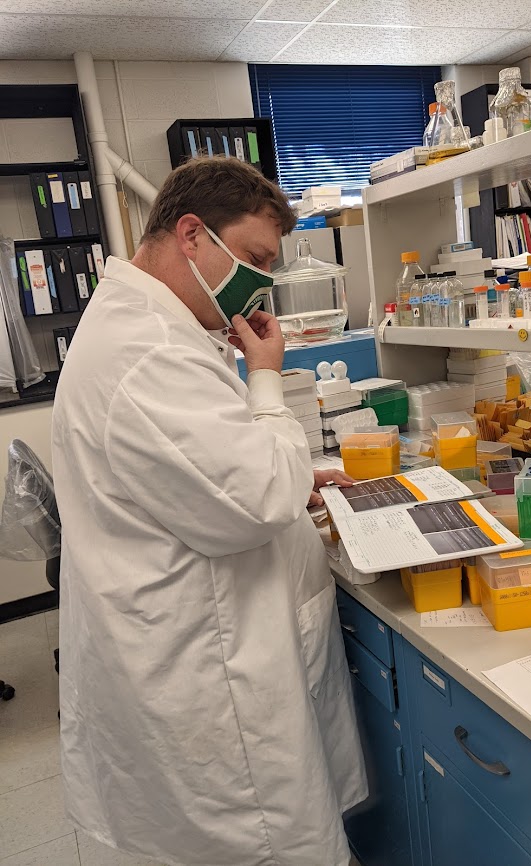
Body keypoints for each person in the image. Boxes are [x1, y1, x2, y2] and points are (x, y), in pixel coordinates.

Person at [51, 156, 367, 866]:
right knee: (265, 846)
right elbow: (252, 500)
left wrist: (288, 479)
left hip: (188, 644)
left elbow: (210, 476)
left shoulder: (147, 330)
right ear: (191, 234)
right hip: (207, 679)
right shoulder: (147, 353)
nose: (261, 283)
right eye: (254, 259)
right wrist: (265, 380)